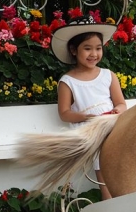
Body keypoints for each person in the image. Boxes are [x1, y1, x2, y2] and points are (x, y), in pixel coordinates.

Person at [51, 16, 128, 200]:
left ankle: (128, 198)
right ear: (74, 50)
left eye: (98, 48)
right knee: (101, 154)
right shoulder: (68, 81)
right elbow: (64, 113)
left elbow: (121, 103)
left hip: (111, 123)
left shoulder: (108, 75)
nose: (94, 53)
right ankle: (108, 202)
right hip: (90, 129)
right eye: (87, 48)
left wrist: (117, 111)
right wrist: (87, 117)